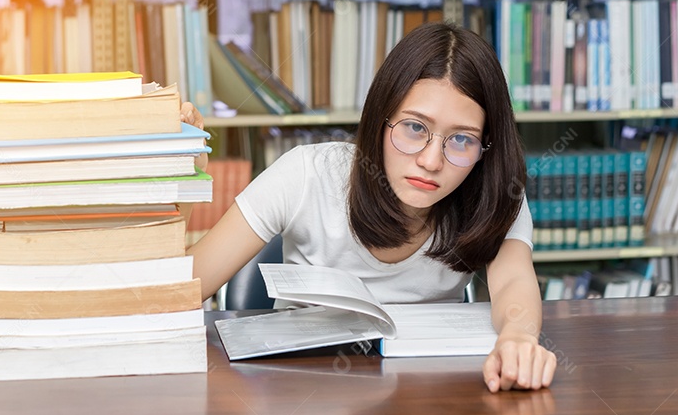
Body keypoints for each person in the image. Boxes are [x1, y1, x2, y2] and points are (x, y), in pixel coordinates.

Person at [180, 22, 556, 392]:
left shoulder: (493, 191)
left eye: (461, 139)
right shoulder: (306, 174)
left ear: (485, 147)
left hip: (427, 393)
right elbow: (183, 289)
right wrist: (183, 184)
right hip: (298, 390)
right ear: (381, 118)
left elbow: (512, 282)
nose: (430, 160)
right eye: (414, 127)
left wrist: (519, 339)